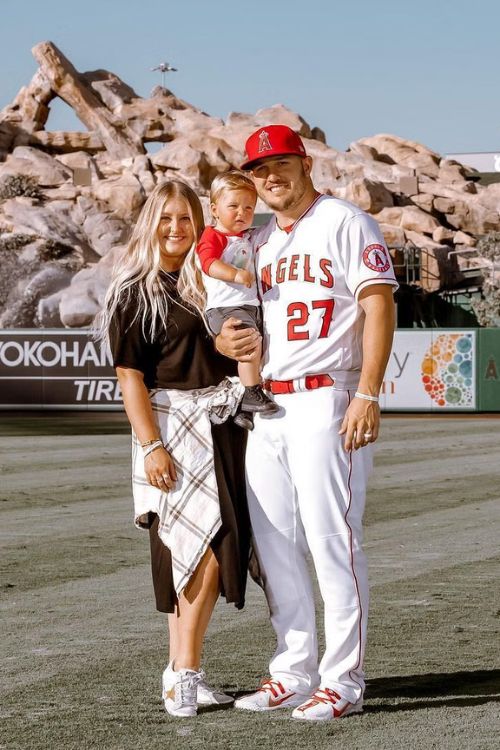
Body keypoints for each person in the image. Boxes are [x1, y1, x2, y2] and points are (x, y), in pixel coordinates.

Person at [216, 125, 398, 721]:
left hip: (327, 398)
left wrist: (367, 393)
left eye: (280, 164)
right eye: (259, 169)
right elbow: (248, 324)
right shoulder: (263, 241)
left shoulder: (345, 221)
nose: (271, 176)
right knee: (276, 547)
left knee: (331, 543)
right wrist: (229, 339)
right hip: (270, 403)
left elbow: (378, 304)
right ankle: (292, 671)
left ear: (305, 162)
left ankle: (343, 681)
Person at [100, 180, 251, 718]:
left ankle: (182, 670)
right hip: (170, 428)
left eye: (186, 218)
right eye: (166, 217)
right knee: (197, 549)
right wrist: (151, 446)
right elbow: (129, 376)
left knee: (207, 547)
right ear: (150, 222)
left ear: (199, 222)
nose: (176, 228)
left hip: (223, 423)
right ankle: (184, 671)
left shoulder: (208, 279)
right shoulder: (135, 290)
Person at [196, 170, 278, 430]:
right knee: (249, 347)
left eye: (248, 207)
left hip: (248, 305)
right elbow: (208, 263)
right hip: (225, 307)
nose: (241, 213)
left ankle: (243, 408)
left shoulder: (248, 237)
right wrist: (235, 274)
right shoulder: (214, 236)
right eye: (233, 206)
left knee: (257, 348)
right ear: (215, 209)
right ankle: (252, 392)